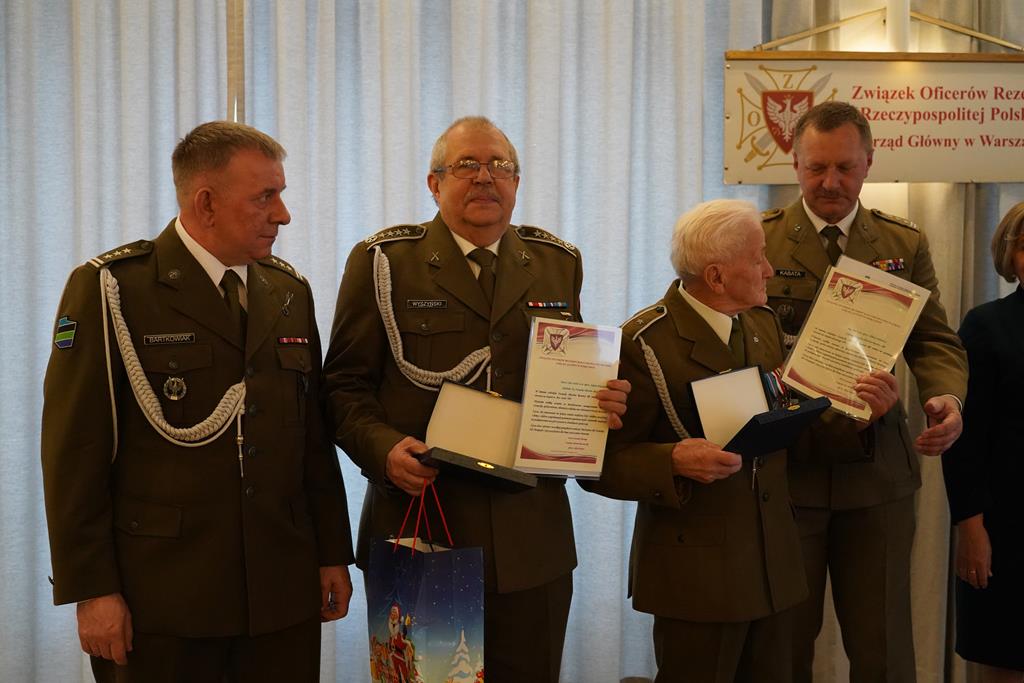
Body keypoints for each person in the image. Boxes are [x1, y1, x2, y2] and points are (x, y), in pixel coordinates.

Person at [41, 121, 354, 683]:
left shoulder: (288, 291)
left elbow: (311, 439)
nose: (283, 215)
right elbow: (75, 453)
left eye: (280, 195)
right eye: (265, 197)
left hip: (280, 592)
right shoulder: (114, 288)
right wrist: (92, 590)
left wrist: (332, 552)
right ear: (206, 203)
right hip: (163, 599)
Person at [322, 115, 629, 683]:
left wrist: (599, 403)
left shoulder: (557, 262)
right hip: (424, 523)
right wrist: (383, 449)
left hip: (531, 538)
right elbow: (342, 385)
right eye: (467, 165)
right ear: (434, 183)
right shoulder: (384, 262)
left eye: (500, 166)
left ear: (517, 183)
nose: (486, 177)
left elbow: (565, 378)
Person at [587, 198, 898, 682]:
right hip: (697, 577)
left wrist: (861, 418)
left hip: (774, 569)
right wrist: (672, 461)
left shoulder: (761, 322)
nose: (770, 270)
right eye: (758, 259)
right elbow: (599, 464)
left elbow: (786, 433)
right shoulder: (642, 342)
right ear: (716, 276)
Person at [762, 101, 969, 682]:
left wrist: (946, 398)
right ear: (794, 163)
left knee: (883, 648)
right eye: (816, 167)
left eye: (845, 167)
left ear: (869, 163)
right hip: (791, 469)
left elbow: (933, 339)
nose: (830, 182)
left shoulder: (901, 243)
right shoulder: (760, 239)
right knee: (782, 646)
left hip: (876, 473)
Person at [942, 202, 1024, 683]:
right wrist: (970, 528)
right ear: (1009, 257)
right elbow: (965, 441)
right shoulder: (985, 325)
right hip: (1007, 527)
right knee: (1005, 658)